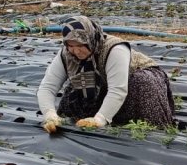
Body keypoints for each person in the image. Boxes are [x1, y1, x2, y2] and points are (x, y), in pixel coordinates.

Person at [37, 16, 175, 133]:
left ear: (90, 39)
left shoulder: (115, 49)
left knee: (140, 82)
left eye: (80, 46)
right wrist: (49, 114)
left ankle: (144, 126)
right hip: (103, 81)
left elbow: (118, 89)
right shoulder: (66, 54)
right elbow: (47, 87)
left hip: (138, 76)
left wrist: (100, 119)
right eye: (71, 46)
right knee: (76, 88)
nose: (76, 52)